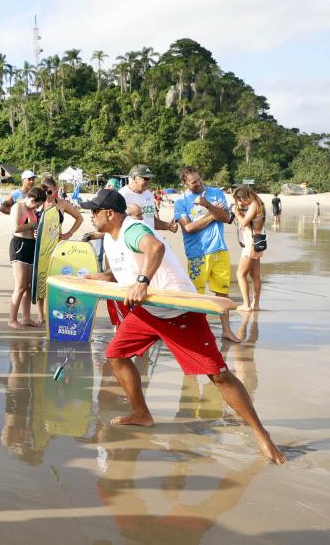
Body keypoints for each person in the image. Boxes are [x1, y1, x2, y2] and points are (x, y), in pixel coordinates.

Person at [80, 189, 285, 464]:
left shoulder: (132, 230)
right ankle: (141, 414)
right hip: (148, 311)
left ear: (110, 213)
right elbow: (125, 269)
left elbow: (156, 248)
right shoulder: (110, 237)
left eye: (94, 211)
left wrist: (142, 281)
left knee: (218, 375)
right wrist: (102, 277)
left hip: (179, 311)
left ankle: (262, 435)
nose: (91, 216)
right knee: (116, 355)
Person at [173, 166, 240, 342]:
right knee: (197, 296)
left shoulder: (215, 193)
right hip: (197, 254)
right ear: (185, 183)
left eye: (199, 179)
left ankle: (226, 330)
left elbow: (226, 218)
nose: (199, 183)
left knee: (222, 294)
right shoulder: (181, 202)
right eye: (194, 182)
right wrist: (212, 214)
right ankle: (197, 332)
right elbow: (188, 228)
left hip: (219, 250)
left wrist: (208, 205)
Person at [8, 187, 45, 329]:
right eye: (36, 204)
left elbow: (31, 228)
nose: (36, 208)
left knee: (28, 287)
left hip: (31, 245)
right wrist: (32, 225)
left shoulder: (31, 210)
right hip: (19, 246)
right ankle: (12, 319)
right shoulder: (18, 206)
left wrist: (35, 231)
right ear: (31, 199)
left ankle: (26, 317)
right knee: (20, 285)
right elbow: (15, 228)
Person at [232, 186, 265, 311]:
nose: (240, 203)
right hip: (258, 239)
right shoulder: (259, 203)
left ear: (244, 197)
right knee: (255, 275)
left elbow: (245, 223)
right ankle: (255, 305)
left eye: (240, 200)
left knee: (240, 274)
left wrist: (237, 214)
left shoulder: (254, 204)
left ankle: (246, 305)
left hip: (251, 241)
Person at [118, 165, 178, 233]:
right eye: (146, 178)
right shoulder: (121, 195)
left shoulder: (149, 194)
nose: (149, 181)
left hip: (148, 239)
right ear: (134, 178)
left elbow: (152, 221)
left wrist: (168, 226)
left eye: (150, 178)